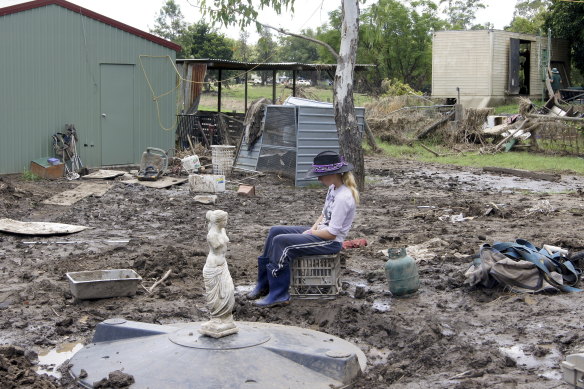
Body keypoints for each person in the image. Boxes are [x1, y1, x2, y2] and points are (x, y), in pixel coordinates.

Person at [247, 151, 360, 307]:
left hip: (329, 242)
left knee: (281, 242)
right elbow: (323, 215)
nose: (319, 179)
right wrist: (311, 230)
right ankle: (263, 284)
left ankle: (279, 294)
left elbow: (332, 234)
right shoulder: (333, 188)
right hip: (321, 233)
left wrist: (312, 233)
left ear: (333, 174)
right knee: (275, 231)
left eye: (320, 175)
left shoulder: (343, 197)